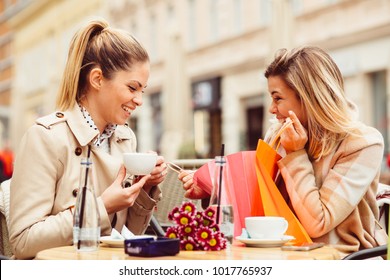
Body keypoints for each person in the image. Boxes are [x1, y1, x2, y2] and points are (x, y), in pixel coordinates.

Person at [178, 46, 387, 255]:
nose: (271, 108)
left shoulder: (363, 143)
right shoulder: (277, 134)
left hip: (340, 258)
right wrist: (213, 188)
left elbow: (317, 223)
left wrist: (296, 155)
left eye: (277, 98)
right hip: (278, 252)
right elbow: (259, 198)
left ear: (309, 98)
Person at [9, 19, 167, 259]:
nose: (139, 100)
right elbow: (24, 241)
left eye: (142, 90)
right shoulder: (46, 137)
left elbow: (126, 238)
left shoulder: (125, 139)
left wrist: (144, 188)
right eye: (132, 88)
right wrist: (101, 207)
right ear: (97, 79)